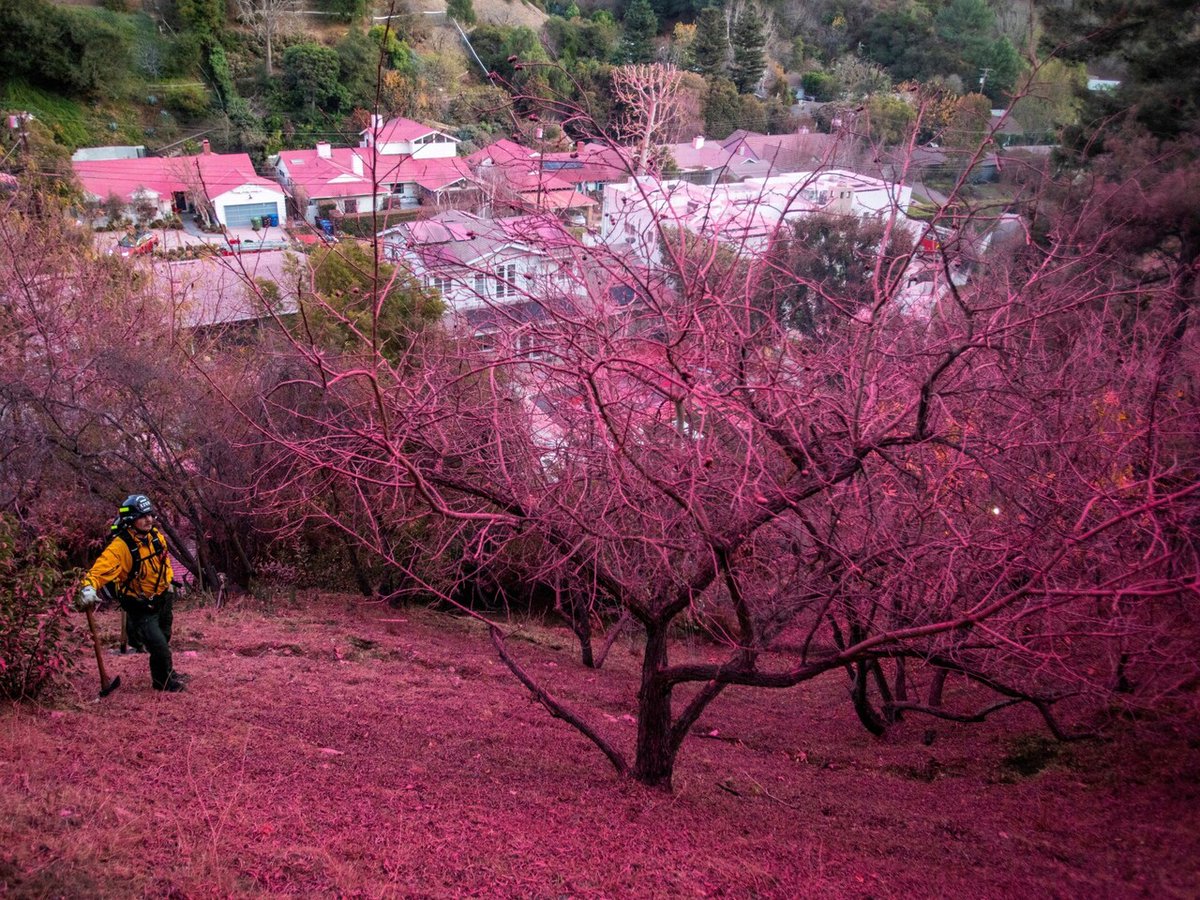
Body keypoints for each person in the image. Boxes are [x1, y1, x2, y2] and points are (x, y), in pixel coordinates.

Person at [75, 494, 187, 693]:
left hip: (163, 597)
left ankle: (166, 671)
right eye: (142, 517)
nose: (149, 520)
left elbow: (163, 561)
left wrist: (168, 582)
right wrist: (88, 587)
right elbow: (99, 570)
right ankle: (163, 683)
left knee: (164, 637)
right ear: (130, 520)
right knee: (158, 644)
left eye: (149, 515)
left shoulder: (155, 536)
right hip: (140, 605)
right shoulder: (120, 547)